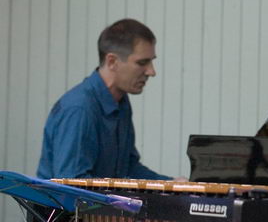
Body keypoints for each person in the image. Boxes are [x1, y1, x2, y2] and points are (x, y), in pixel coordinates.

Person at [37, 18, 171, 180]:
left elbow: (128, 168)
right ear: (112, 61)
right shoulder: (79, 109)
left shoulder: (121, 102)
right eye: (142, 63)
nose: (151, 71)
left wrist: (175, 186)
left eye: (151, 62)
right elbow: (71, 185)